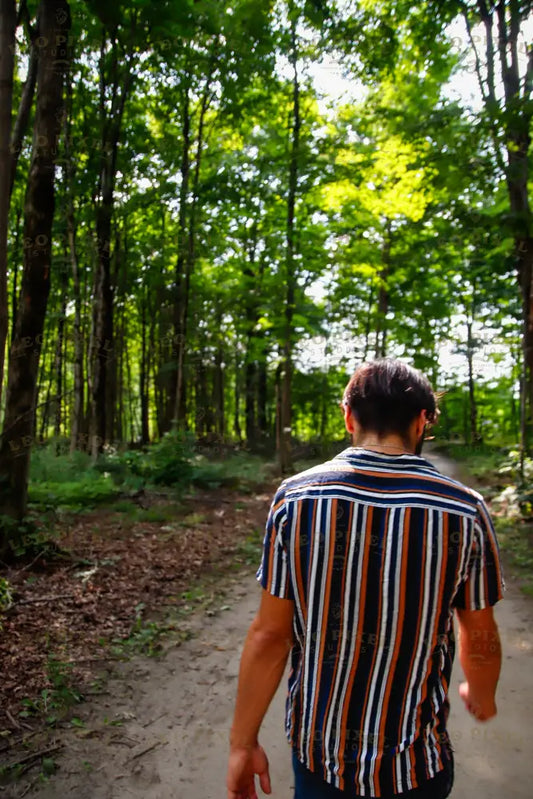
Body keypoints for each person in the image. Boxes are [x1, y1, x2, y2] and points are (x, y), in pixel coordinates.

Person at [227, 358, 504, 799]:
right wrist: (483, 693)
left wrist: (243, 743)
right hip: (415, 764)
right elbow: (480, 632)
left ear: (348, 416)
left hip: (320, 759)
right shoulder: (464, 510)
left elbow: (269, 636)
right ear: (421, 422)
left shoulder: (295, 499)